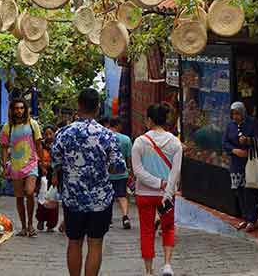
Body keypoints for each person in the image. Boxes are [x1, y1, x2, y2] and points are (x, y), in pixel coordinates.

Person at [52, 88, 125, 276]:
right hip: (100, 200)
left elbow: (56, 163)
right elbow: (118, 167)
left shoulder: (64, 133)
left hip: (73, 199)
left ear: (79, 105)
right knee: (95, 243)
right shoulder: (107, 135)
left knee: (74, 242)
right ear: (98, 107)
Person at [132, 104, 183, 276]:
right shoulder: (175, 143)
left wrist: (156, 183)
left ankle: (148, 270)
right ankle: (167, 264)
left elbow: (138, 171)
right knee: (168, 228)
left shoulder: (139, 142)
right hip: (166, 195)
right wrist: (166, 189)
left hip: (144, 194)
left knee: (146, 231)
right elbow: (175, 171)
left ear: (150, 120)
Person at [1, 97, 43, 237]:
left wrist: (42, 162)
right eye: (16, 108)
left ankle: (31, 223)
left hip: (32, 164)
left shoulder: (33, 124)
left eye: (21, 108)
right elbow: (4, 148)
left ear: (25, 110)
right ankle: (24, 227)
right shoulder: (8, 127)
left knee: (30, 192)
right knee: (19, 197)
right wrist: (3, 164)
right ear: (12, 110)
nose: (19, 111)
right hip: (15, 166)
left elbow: (38, 144)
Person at [223, 101, 258, 232]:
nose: (235, 117)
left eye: (238, 113)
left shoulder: (251, 123)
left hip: (248, 163)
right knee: (239, 191)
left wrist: (248, 141)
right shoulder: (230, 125)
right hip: (236, 164)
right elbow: (225, 143)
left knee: (249, 191)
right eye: (233, 114)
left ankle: (252, 219)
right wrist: (234, 150)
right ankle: (245, 218)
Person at [108, 117, 133, 229]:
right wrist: (130, 170)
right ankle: (125, 216)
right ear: (118, 125)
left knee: (109, 197)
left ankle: (109, 220)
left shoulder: (105, 137)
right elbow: (129, 157)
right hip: (122, 172)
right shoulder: (126, 139)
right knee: (122, 195)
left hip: (108, 172)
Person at [36, 125, 60, 232]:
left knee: (53, 200)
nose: (48, 136)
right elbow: (37, 158)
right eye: (46, 134)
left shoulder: (58, 145)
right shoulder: (40, 145)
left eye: (51, 134)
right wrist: (42, 166)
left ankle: (51, 224)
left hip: (54, 176)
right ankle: (40, 220)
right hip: (43, 176)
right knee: (41, 199)